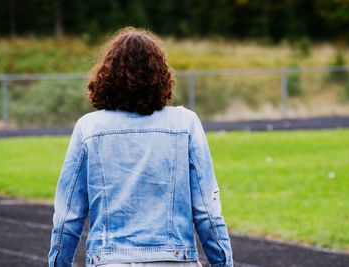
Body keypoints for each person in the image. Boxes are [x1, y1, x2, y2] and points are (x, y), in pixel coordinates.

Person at [48, 27, 233, 267]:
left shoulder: (88, 128)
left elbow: (68, 218)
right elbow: (207, 212)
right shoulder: (185, 124)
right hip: (175, 260)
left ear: (107, 75)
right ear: (161, 74)